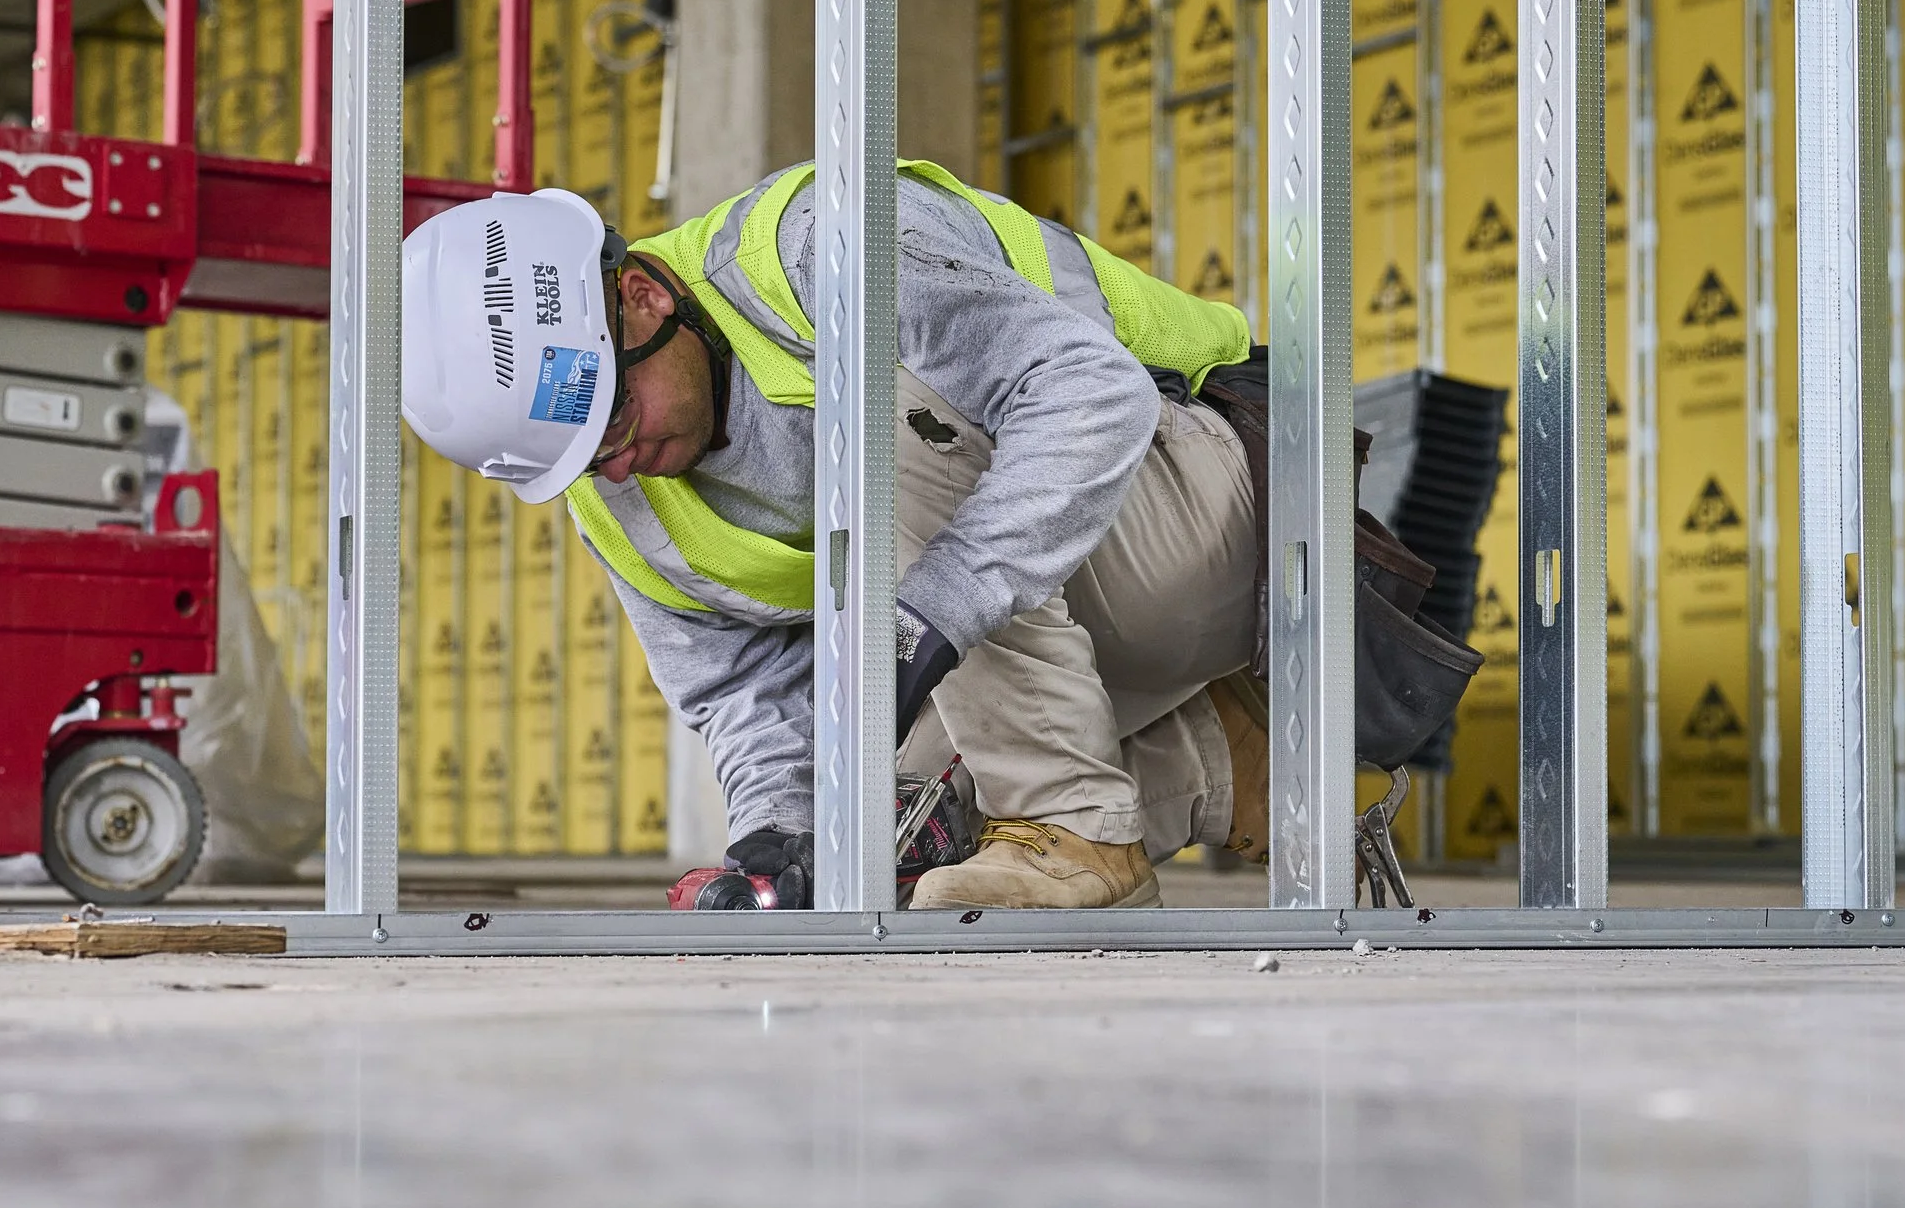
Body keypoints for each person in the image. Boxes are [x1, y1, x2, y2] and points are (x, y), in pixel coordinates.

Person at [400, 159, 1270, 909]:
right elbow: (742, 695)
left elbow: (1092, 392)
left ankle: (1076, 825)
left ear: (643, 297)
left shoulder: (825, 251)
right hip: (1092, 599)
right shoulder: (621, 501)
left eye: (615, 416)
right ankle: (1227, 761)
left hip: (1224, 490)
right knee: (883, 835)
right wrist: (781, 834)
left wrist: (934, 610)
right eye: (588, 458)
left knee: (874, 422)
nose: (619, 467)